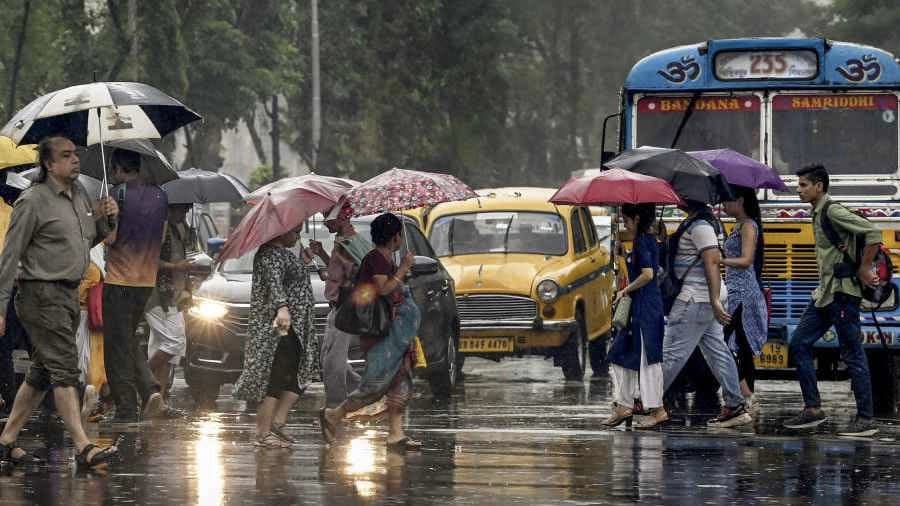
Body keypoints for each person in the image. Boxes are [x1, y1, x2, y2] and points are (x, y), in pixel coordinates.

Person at [0, 136, 119, 469]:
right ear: (49, 164)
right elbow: (10, 256)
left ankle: (6, 440)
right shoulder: (32, 201)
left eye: (75, 154)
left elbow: (83, 240)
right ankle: (83, 447)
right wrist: (0, 306)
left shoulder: (78, 196)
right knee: (65, 370)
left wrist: (106, 219)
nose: (75, 160)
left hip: (68, 295)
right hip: (40, 295)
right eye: (66, 156)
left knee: (41, 372)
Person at [783, 164, 880, 437]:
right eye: (798, 185)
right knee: (799, 343)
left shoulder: (832, 210)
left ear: (819, 186)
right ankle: (813, 409)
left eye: (803, 185)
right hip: (825, 295)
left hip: (843, 294)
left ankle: (866, 419)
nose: (798, 190)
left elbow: (873, 233)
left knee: (852, 353)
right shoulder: (816, 213)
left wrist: (865, 267)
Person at [320, 213, 423, 452]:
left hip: (396, 334)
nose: (400, 239)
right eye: (399, 235)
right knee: (375, 385)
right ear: (395, 237)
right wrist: (403, 268)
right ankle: (334, 415)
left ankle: (396, 435)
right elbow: (384, 289)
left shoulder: (386, 259)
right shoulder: (375, 259)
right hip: (380, 334)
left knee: (400, 381)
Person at [661, 200, 752, 428]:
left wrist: (714, 300)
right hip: (702, 299)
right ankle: (735, 405)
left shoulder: (701, 225)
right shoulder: (702, 222)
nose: (677, 198)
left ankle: (647, 402)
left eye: (681, 194)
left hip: (696, 299)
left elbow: (711, 262)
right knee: (717, 352)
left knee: (671, 353)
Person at [233, 228, 319, 449]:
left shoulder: (284, 254)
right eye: (295, 231)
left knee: (299, 370)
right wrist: (282, 308)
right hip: (280, 325)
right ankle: (263, 432)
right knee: (276, 374)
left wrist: (304, 261)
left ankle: (277, 423)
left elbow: (290, 280)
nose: (297, 236)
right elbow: (275, 284)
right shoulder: (269, 255)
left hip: (297, 326)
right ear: (280, 231)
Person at [102, 148, 168, 422]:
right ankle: (150, 391)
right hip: (146, 281)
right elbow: (161, 238)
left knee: (116, 349)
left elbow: (110, 238)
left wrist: (105, 217)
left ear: (118, 168)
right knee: (128, 339)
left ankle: (126, 409)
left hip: (119, 280)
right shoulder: (161, 195)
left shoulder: (117, 195)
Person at [605, 204, 667, 428]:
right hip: (642, 307)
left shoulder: (642, 241)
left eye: (626, 220)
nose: (625, 224)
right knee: (621, 355)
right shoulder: (646, 240)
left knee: (646, 360)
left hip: (645, 309)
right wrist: (625, 255)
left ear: (637, 218)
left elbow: (648, 274)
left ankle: (657, 410)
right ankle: (624, 404)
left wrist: (625, 290)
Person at [309, 202, 372, 409]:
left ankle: (335, 406)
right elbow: (339, 270)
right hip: (336, 308)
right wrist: (322, 254)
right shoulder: (342, 241)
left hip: (345, 309)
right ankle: (363, 393)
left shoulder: (349, 244)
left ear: (342, 218)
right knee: (327, 357)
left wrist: (346, 282)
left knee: (332, 362)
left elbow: (361, 274)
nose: (325, 224)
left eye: (328, 219)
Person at [720, 186, 768, 408]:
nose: (724, 205)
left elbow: (747, 260)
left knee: (724, 342)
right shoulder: (737, 225)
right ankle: (747, 394)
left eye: (727, 201)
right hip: (734, 290)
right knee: (740, 343)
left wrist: (719, 261)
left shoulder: (748, 225)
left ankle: (745, 392)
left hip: (743, 294)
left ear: (740, 201)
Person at [145, 204, 193, 406]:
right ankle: (141, 380)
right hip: (158, 295)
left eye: (187, 210)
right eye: (181, 210)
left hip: (175, 295)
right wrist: (175, 266)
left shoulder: (181, 229)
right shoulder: (159, 228)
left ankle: (158, 400)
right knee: (174, 342)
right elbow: (148, 259)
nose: (184, 214)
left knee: (163, 347)